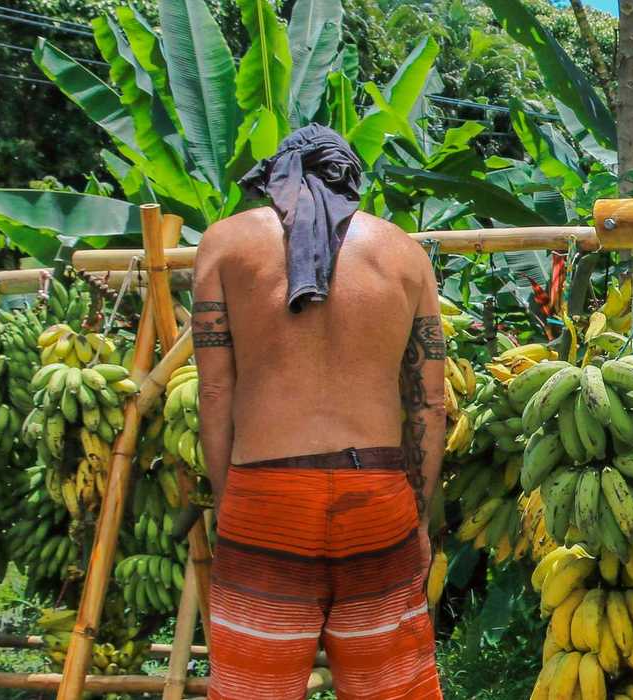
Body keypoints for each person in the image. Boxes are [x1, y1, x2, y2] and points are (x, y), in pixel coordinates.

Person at [192, 125, 446, 700]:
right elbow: (430, 400)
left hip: (266, 492)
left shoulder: (225, 243)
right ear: (349, 176)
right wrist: (419, 517)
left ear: (274, 177)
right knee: (392, 690)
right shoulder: (403, 252)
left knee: (253, 689)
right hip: (377, 496)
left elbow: (214, 394)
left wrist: (229, 501)